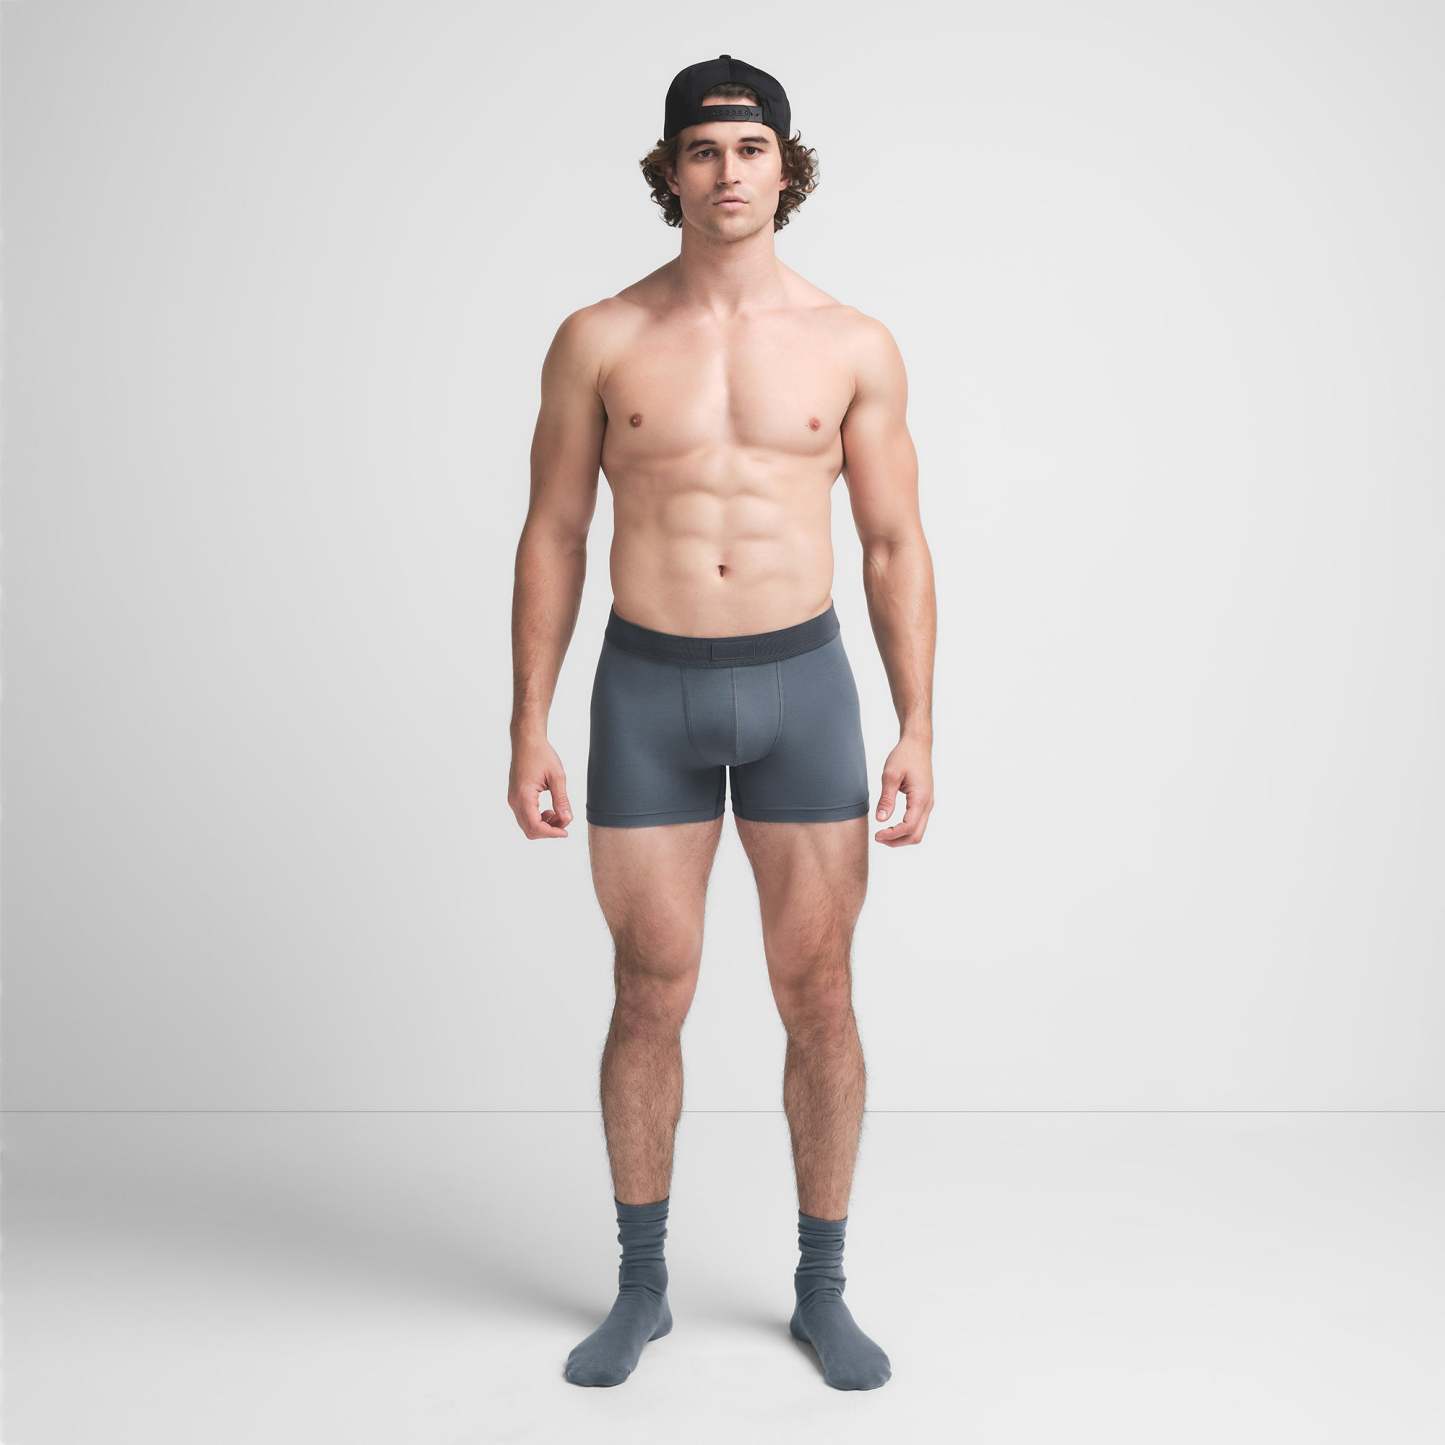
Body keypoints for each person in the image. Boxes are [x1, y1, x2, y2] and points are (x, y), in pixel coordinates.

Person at [508, 53, 936, 1391]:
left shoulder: (852, 343)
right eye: (703, 149)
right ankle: (641, 1287)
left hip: (803, 688)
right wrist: (528, 724)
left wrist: (918, 725)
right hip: (647, 691)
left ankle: (822, 1289)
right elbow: (554, 532)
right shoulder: (599, 338)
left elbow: (892, 544)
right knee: (650, 988)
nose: (728, 171)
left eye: (750, 149)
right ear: (671, 170)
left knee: (820, 991)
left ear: (784, 168)